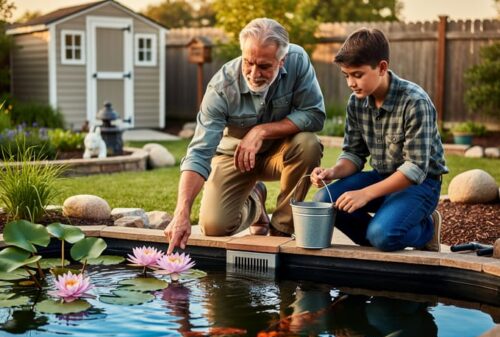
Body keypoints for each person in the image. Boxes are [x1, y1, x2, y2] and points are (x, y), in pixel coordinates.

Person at [165, 18, 325, 253]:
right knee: (213, 226)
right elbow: (199, 152)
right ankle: (256, 203)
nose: (253, 73)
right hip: (235, 157)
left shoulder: (298, 61)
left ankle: (281, 227)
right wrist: (182, 211)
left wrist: (261, 131)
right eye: (248, 63)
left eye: (264, 66)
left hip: (282, 154)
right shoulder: (221, 88)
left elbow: (314, 114)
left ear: (282, 61)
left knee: (309, 144)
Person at [311, 28, 448, 252]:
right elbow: (354, 154)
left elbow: (414, 169)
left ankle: (426, 230)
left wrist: (366, 194)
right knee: (322, 202)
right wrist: (332, 172)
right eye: (346, 76)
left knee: (382, 235)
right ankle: (386, 225)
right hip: (382, 176)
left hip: (421, 184)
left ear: (382, 67)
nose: (351, 83)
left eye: (357, 74)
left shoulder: (415, 102)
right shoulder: (356, 102)